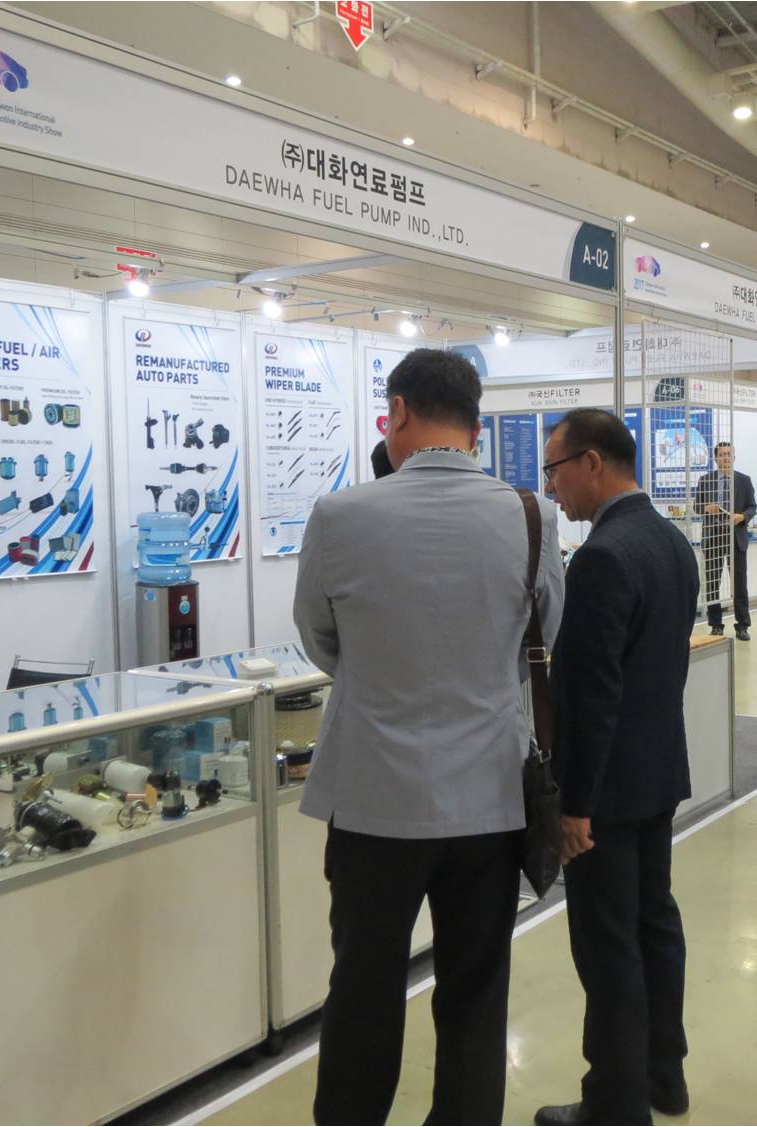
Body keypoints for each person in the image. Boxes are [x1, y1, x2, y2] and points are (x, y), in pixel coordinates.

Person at [294, 348, 564, 1126]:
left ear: (401, 411)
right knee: (476, 993)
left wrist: (384, 676)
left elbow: (320, 638)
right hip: (489, 798)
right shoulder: (531, 515)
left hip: (373, 799)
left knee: (363, 987)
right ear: (475, 424)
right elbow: (545, 634)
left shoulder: (339, 515)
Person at [535, 408, 700, 1127]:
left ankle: (614, 1103)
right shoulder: (669, 539)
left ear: (593, 463)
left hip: (606, 791)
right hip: (656, 771)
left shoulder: (603, 556)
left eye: (554, 470)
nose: (552, 487)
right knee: (654, 922)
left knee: (608, 946)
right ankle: (664, 1075)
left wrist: (575, 805)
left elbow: (591, 696)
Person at [693, 441, 757, 640]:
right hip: (713, 537)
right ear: (715, 458)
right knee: (712, 583)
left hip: (735, 538)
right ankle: (716, 624)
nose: (726, 458)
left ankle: (742, 626)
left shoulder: (744, 480)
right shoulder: (705, 480)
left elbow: (752, 507)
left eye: (729, 454)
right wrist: (706, 508)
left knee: (739, 584)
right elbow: (696, 506)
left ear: (734, 457)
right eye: (722, 454)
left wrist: (742, 517)